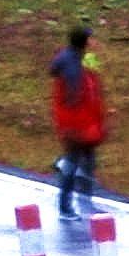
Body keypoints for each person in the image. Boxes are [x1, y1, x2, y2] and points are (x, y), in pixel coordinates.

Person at [47, 24, 108, 228]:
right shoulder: (72, 67)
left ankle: (84, 202)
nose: (93, 42)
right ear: (84, 41)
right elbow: (74, 101)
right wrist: (78, 128)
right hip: (76, 127)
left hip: (84, 126)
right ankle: (65, 207)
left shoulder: (75, 61)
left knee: (87, 163)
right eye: (90, 38)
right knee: (73, 166)